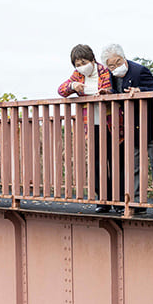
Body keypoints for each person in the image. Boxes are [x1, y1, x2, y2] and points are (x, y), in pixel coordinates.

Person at [101, 43, 153, 216]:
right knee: (134, 166)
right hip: (134, 127)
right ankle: (137, 203)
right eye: (111, 65)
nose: (115, 67)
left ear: (124, 58)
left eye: (118, 62)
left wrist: (141, 91)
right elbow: (118, 93)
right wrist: (109, 94)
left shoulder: (139, 71)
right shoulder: (112, 75)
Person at [58, 44, 122, 214]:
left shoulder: (104, 71)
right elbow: (61, 90)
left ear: (92, 59)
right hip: (91, 125)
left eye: (83, 62)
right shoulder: (78, 75)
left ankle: (118, 200)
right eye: (77, 64)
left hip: (111, 124)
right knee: (96, 164)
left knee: (114, 162)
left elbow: (111, 89)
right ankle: (103, 199)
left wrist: (105, 93)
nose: (81, 66)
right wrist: (73, 87)